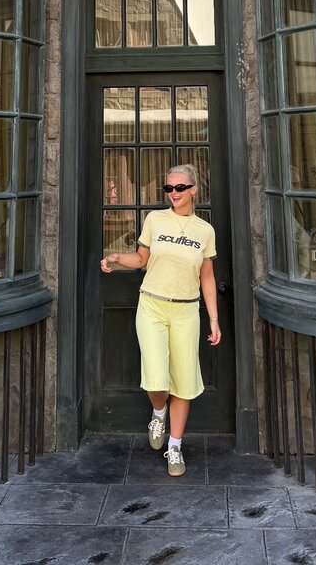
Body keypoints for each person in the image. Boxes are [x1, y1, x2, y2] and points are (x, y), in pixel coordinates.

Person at [100, 163, 221, 477]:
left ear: (194, 189)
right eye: (169, 188)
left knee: (183, 382)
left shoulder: (204, 231)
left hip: (186, 310)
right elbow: (142, 259)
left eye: (180, 188)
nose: (174, 193)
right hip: (152, 305)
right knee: (156, 379)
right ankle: (158, 410)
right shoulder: (155, 219)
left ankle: (175, 447)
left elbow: (207, 277)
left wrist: (213, 319)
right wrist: (116, 257)